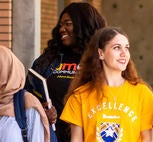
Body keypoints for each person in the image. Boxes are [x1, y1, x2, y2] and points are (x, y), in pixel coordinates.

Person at [59, 27, 153, 142]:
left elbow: (147, 139)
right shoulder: (80, 96)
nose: (124, 53)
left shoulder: (143, 94)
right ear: (101, 53)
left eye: (126, 48)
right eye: (117, 48)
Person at [25, 2, 106, 141]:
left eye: (67, 23)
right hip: (53, 135)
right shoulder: (48, 60)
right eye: (60, 25)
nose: (62, 29)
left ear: (84, 24)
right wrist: (41, 110)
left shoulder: (103, 59)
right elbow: (27, 93)